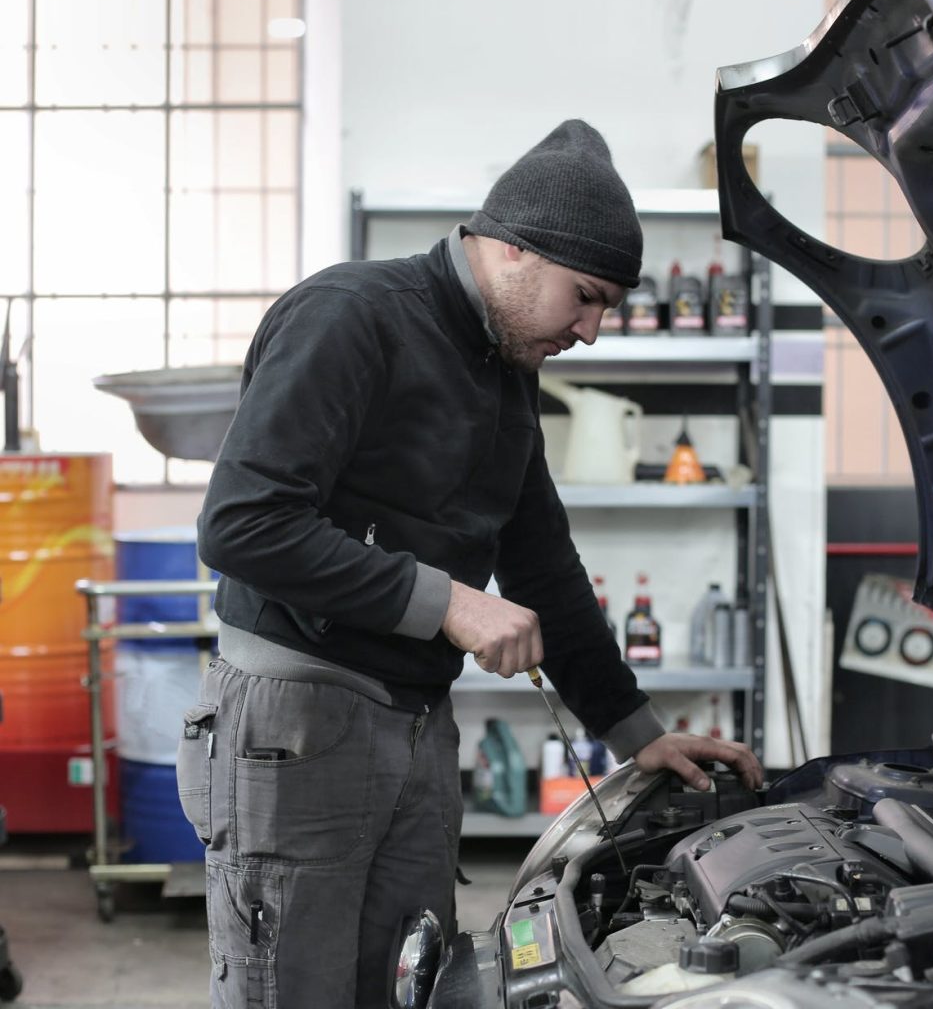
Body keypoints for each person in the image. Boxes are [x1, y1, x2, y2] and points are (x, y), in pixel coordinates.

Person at [180, 119, 764, 1009]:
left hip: (415, 723)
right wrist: (447, 603)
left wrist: (638, 735)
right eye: (587, 296)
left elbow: (543, 565)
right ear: (515, 252)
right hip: (295, 729)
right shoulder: (351, 316)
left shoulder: (504, 366)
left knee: (416, 988)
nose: (595, 330)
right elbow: (241, 525)